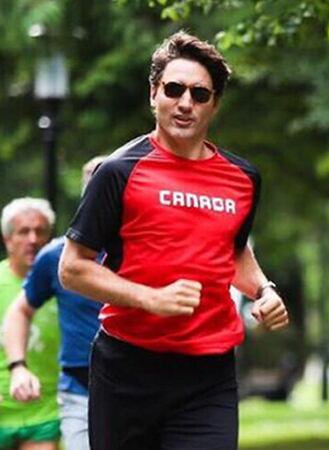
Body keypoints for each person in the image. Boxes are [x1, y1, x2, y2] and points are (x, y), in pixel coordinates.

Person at [58, 31, 289, 450]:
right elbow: (73, 267)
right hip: (127, 368)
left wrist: (263, 289)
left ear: (215, 104)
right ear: (154, 94)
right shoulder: (118, 171)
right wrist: (149, 298)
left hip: (208, 373)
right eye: (174, 89)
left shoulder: (243, 178)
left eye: (200, 94)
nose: (185, 103)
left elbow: (234, 250)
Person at [4, 157, 106, 450]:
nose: (32, 240)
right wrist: (18, 367)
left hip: (140, 389)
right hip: (78, 390)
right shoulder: (57, 256)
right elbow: (19, 311)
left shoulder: (148, 251)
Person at [0, 198, 59, 450]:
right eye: (24, 232)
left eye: (40, 231)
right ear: (7, 239)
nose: (33, 240)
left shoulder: (65, 285)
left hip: (45, 409)